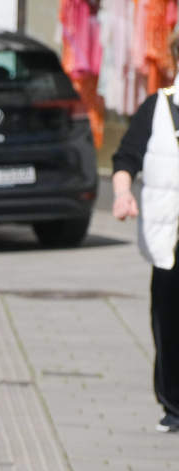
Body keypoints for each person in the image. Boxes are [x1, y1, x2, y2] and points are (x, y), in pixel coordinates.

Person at [111, 31, 179, 434]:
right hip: (167, 238)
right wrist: (122, 194)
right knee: (168, 321)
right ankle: (173, 403)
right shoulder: (156, 107)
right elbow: (126, 158)